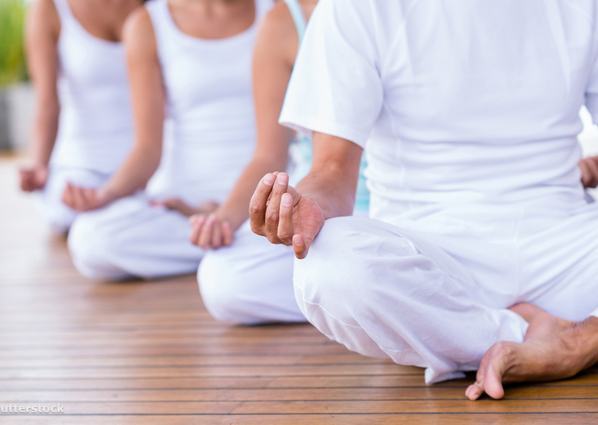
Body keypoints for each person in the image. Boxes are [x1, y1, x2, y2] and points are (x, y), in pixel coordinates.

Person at [248, 0, 598, 400]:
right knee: (329, 267)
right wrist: (303, 209)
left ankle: (559, 342)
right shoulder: (353, 8)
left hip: (564, 249)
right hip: (436, 263)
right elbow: (332, 170)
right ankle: (557, 337)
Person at [64, 0, 272, 280]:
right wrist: (106, 194)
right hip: (183, 206)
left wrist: (227, 212)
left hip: (261, 198)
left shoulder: (276, 12)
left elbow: (274, 151)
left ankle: (223, 236)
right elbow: (147, 147)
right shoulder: (147, 23)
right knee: (90, 239)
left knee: (272, 232)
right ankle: (220, 240)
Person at [192, 0, 369, 325]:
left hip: (393, 205)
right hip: (318, 205)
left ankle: (351, 302)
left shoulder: (386, 12)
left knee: (351, 270)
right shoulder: (281, 24)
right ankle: (354, 305)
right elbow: (268, 155)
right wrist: (225, 217)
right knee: (223, 281)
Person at [19, 0, 143, 233]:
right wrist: (38, 165)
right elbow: (47, 102)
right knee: (71, 211)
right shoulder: (50, 8)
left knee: (157, 206)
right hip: (81, 169)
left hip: (150, 166)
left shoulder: (160, 8)